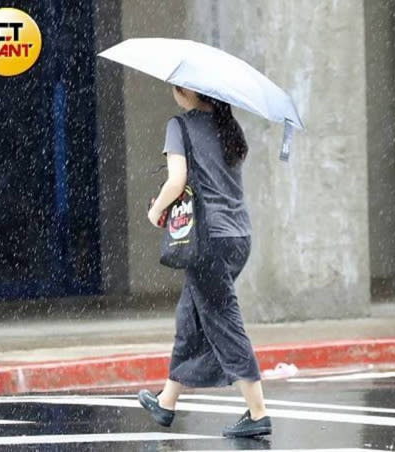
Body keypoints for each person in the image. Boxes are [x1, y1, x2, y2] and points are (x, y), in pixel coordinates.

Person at [138, 85, 271, 438]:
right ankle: (166, 402)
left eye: (174, 87)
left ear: (186, 91)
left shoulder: (179, 127)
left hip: (207, 240)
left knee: (223, 321)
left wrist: (156, 209)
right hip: (238, 236)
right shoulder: (230, 126)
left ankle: (258, 412)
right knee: (192, 315)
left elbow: (177, 179)